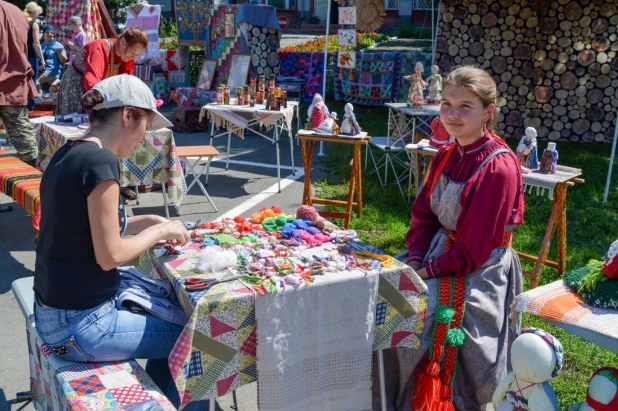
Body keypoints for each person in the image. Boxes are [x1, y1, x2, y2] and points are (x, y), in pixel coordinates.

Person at [33, 75, 203, 409]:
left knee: (174, 328)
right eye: (146, 126)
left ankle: (163, 399)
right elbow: (110, 254)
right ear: (128, 115)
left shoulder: (69, 153)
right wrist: (159, 232)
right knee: (195, 342)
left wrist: (151, 221)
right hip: (79, 326)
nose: (143, 139)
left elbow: (89, 226)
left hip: (54, 313)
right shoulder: (101, 162)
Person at [376, 66, 525, 410]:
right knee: (381, 296)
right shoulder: (446, 154)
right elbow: (424, 215)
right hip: (434, 255)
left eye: (465, 106)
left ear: (488, 111)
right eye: (446, 104)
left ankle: (447, 401)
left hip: (479, 268)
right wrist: (414, 258)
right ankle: (393, 398)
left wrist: (422, 274)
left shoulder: (497, 168)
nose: (452, 115)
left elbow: (473, 250)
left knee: (420, 315)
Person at [56, 27, 147, 116]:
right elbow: (91, 81)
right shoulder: (99, 48)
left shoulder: (126, 56)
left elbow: (127, 81)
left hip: (95, 88)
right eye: (132, 52)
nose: (133, 57)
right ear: (123, 41)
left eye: (137, 55)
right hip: (75, 85)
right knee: (74, 121)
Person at [0, 0, 39, 166]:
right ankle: (33, 173)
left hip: (12, 76)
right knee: (22, 131)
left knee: (21, 130)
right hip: (15, 78)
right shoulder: (16, 11)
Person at [24, 2, 45, 110]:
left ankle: (23, 103)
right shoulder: (34, 24)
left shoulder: (21, 22)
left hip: (22, 54)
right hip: (32, 55)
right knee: (32, 80)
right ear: (35, 12)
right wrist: (42, 58)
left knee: (23, 80)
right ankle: (30, 105)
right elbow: (37, 43)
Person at [37, 25, 67, 93]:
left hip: (52, 70)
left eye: (52, 33)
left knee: (35, 81)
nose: (49, 34)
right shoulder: (40, 44)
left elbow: (64, 60)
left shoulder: (58, 45)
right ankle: (42, 98)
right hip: (40, 69)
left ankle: (40, 99)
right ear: (44, 33)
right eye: (47, 32)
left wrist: (59, 53)